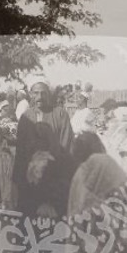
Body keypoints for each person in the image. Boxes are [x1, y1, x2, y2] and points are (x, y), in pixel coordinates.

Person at [12, 77, 75, 219]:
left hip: (55, 181)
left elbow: (66, 148)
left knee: (52, 227)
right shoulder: (26, 117)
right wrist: (18, 181)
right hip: (30, 183)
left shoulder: (60, 114)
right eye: (36, 93)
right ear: (30, 94)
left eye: (43, 93)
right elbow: (20, 151)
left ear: (49, 94)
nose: (39, 97)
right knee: (29, 225)